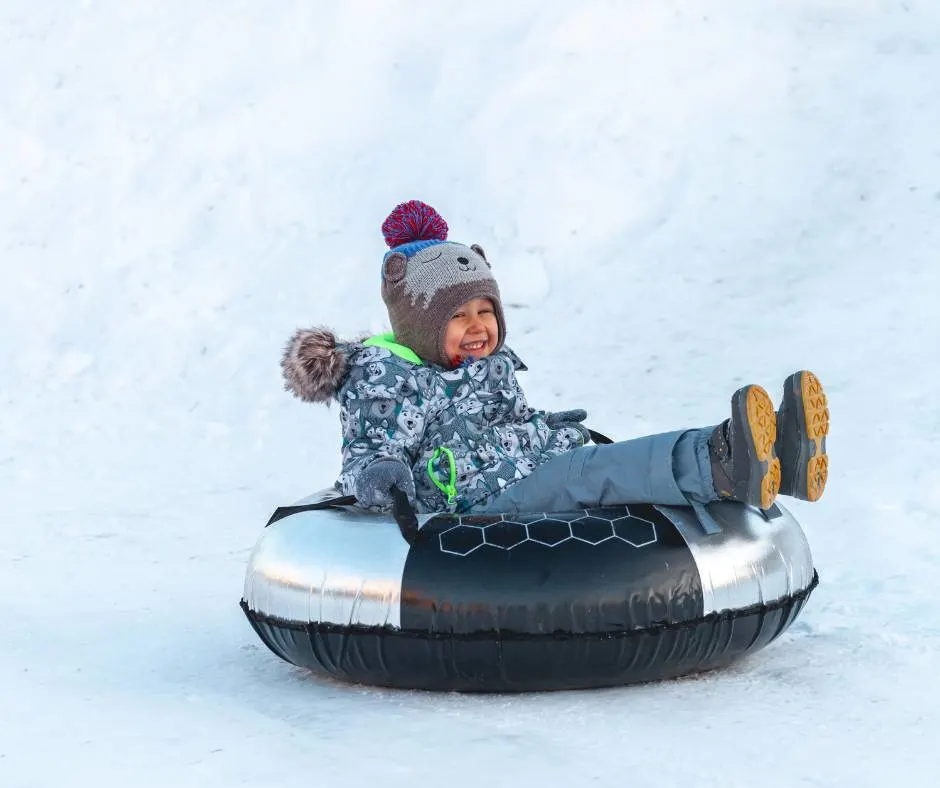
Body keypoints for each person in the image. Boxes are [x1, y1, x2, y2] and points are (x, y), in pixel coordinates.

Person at [281, 200, 829, 519]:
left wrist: (547, 431)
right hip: (476, 497)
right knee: (597, 474)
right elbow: (368, 455)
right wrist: (383, 477)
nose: (479, 327)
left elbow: (509, 423)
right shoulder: (385, 377)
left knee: (605, 460)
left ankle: (782, 453)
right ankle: (724, 460)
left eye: (485, 311)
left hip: (518, 467)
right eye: (458, 316)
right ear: (420, 324)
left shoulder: (486, 367)